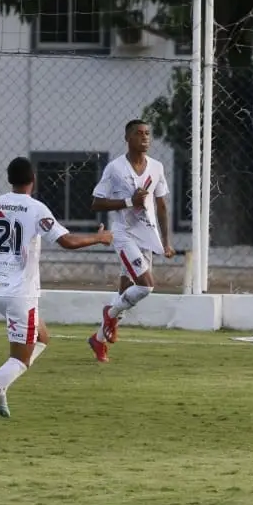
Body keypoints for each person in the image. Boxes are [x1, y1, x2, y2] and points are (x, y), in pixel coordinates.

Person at [0, 156, 113, 435]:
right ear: (33, 180)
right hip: (20, 293)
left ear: (9, 179)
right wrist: (100, 238)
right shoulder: (35, 208)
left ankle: (0, 389)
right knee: (20, 360)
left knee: (42, 337)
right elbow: (67, 241)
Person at [86, 119, 175, 362]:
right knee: (146, 286)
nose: (145, 137)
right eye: (139, 133)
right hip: (124, 234)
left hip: (146, 235)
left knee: (126, 290)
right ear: (128, 138)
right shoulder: (115, 168)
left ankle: (98, 340)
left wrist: (165, 242)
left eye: (147, 133)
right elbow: (96, 203)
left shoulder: (156, 167)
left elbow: (161, 205)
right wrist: (128, 202)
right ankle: (110, 313)